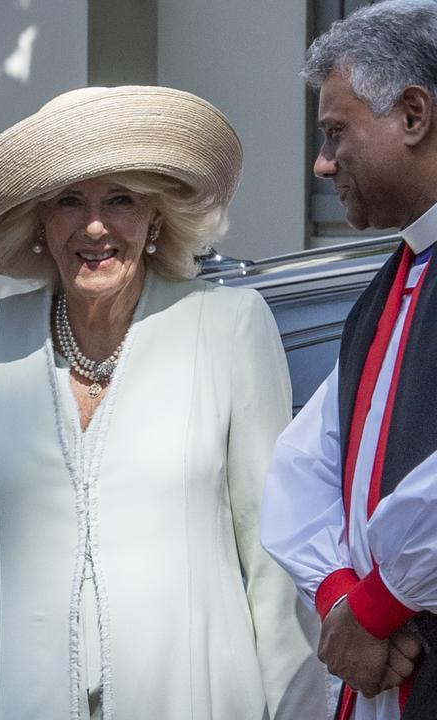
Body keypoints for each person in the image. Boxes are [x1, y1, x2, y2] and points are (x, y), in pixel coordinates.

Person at [0, 86, 324, 719]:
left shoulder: (225, 328)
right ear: (39, 222)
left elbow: (275, 571)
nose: (95, 226)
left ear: (155, 219)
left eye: (120, 199)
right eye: (70, 201)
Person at [261, 2, 437, 718]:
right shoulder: (388, 286)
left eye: (336, 133)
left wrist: (375, 604)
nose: (322, 162)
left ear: (414, 115)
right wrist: (340, 596)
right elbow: (306, 460)